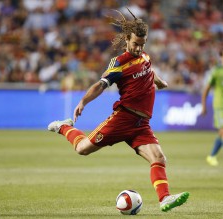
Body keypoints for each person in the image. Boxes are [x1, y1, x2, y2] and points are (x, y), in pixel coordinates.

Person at [48, 8, 189, 212]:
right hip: (123, 119)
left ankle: (164, 199)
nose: (139, 48)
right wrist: (83, 102)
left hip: (141, 125)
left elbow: (149, 69)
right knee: (82, 149)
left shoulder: (145, 56)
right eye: (135, 44)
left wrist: (159, 82)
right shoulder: (119, 64)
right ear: (126, 40)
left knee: (159, 158)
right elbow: (100, 85)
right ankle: (62, 127)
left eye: (142, 44)